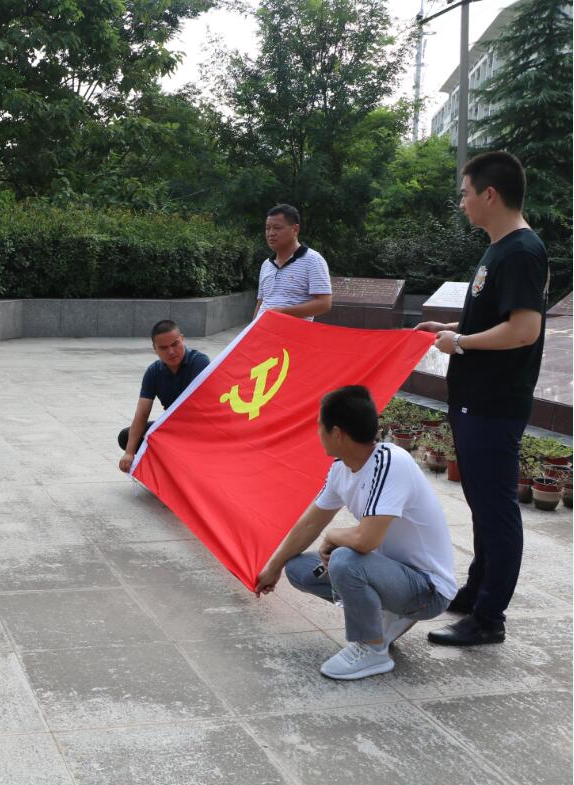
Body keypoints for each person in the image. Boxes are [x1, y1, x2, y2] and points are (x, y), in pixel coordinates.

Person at [414, 151, 549, 647]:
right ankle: (476, 592)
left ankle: (490, 617)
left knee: (495, 509)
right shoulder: (500, 249)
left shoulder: (521, 251)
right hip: (475, 398)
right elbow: (497, 316)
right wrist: (451, 327)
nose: (462, 202)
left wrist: (462, 343)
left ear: (489, 194)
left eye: (465, 193)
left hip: (494, 403)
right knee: (481, 503)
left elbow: (524, 329)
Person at [255, 385, 456, 680]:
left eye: (320, 426)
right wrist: (273, 567)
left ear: (337, 433)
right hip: (391, 574)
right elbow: (310, 523)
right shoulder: (342, 468)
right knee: (298, 568)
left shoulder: (391, 462)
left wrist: (333, 537)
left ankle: (372, 650)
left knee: (345, 560)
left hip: (427, 589)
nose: (317, 433)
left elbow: (366, 540)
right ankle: (385, 616)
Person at [117, 320, 211, 472]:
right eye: (163, 348)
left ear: (182, 339)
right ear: (155, 349)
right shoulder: (154, 372)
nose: (171, 351)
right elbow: (142, 414)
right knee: (126, 437)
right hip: (172, 428)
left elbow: (200, 409)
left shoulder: (199, 362)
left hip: (200, 429)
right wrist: (129, 453)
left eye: (175, 344)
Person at [253, 204, 332, 321]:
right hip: (263, 330)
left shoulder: (313, 260)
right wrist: (252, 327)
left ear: (295, 229)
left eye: (277, 228)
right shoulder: (266, 264)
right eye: (268, 228)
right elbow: (261, 302)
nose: (271, 233)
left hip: (293, 331)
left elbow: (324, 303)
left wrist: (282, 312)